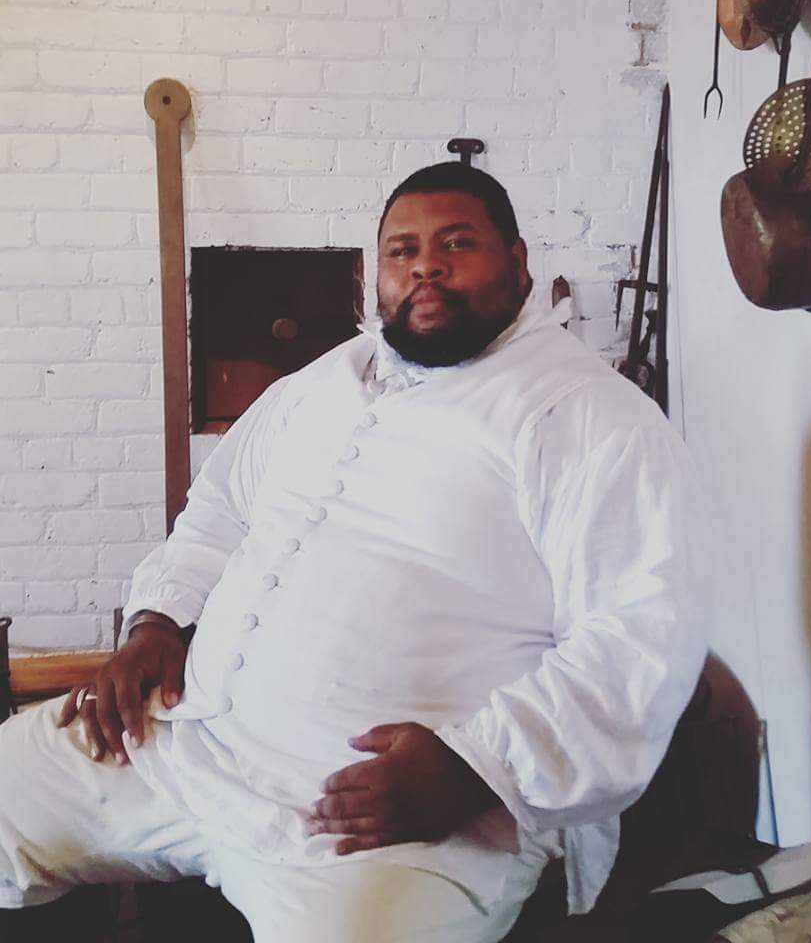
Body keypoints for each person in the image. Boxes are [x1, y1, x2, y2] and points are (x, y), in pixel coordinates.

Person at [0, 162, 707, 942]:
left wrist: (475, 767)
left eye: (457, 244)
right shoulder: (319, 383)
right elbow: (220, 511)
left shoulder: (589, 418)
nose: (426, 267)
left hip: (394, 816)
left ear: (517, 263)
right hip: (187, 745)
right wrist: (156, 624)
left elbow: (637, 637)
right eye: (403, 251)